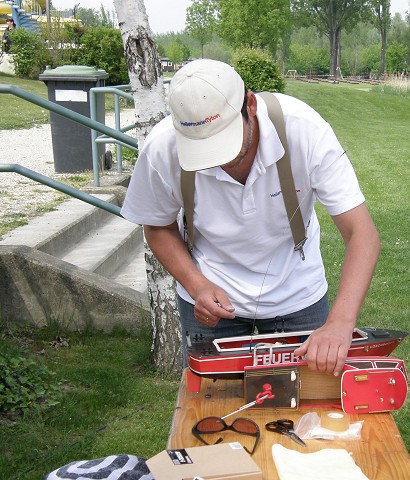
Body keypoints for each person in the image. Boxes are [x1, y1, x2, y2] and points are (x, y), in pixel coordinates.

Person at [121, 59, 380, 375]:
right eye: (203, 150)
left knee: (309, 408)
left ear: (251, 105)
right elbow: (157, 226)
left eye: (223, 143)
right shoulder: (162, 146)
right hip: (210, 299)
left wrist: (340, 322)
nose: (218, 162)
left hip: (297, 292)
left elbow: (361, 234)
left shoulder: (305, 130)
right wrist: (197, 284)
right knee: (213, 409)